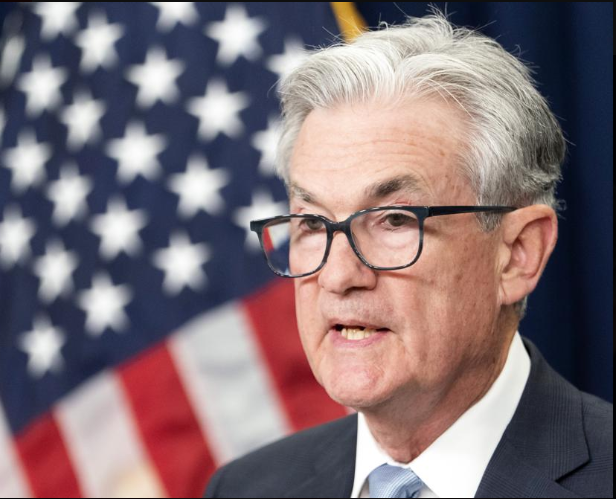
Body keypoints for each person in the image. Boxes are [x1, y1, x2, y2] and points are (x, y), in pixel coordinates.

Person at [204, 13, 612, 498]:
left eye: (394, 219)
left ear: (517, 253)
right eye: (312, 223)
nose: (338, 276)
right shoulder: (244, 488)